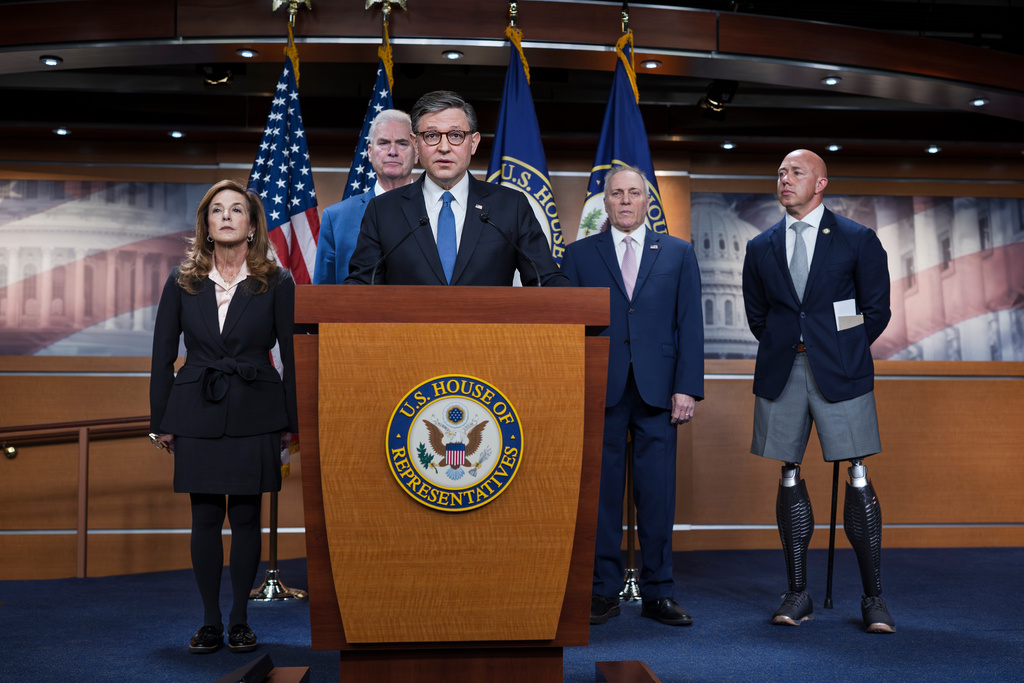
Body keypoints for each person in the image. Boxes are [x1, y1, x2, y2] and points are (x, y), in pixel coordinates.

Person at [741, 149, 895, 633]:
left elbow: (875, 310)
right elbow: (758, 316)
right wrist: (795, 342)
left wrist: (836, 341)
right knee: (788, 473)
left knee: (858, 473)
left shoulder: (856, 239)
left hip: (841, 372)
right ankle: (797, 593)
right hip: (783, 372)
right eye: (781, 172)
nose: (785, 179)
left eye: (796, 172)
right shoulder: (760, 246)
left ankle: (873, 599)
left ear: (821, 183)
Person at [149, 179, 298, 654]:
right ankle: (211, 621)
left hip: (258, 408)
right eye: (218, 211)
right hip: (196, 409)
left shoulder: (278, 281)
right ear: (207, 225)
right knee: (206, 517)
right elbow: (160, 357)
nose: (228, 217)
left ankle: (239, 620)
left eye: (238, 210)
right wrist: (161, 419)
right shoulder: (182, 280)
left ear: (252, 225)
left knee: (249, 516)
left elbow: (293, 355)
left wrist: (291, 422)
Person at [561, 166, 704, 627]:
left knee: (657, 495)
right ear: (605, 202)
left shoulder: (679, 253)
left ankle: (659, 592)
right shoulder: (579, 255)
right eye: (616, 193)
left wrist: (687, 387)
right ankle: (602, 592)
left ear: (648, 201)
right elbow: (567, 326)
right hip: (600, 387)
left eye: (634, 193)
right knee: (602, 495)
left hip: (660, 391)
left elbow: (691, 326)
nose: (625, 201)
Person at [344, 90, 568, 286]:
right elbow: (362, 284)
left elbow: (545, 279)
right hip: (408, 335)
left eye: (455, 136)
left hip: (489, 334)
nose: (443, 147)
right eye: (431, 136)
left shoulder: (510, 206)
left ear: (474, 143)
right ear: (415, 144)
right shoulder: (383, 210)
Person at [313, 109, 418, 284]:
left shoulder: (436, 210)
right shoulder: (336, 218)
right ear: (369, 152)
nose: (392, 151)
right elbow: (323, 294)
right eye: (383, 143)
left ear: (417, 152)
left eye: (402, 143)